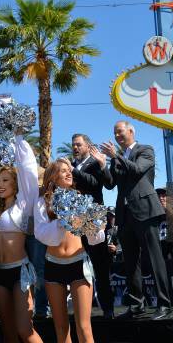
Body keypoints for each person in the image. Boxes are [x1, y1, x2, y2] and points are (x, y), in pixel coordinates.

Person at [100, 120, 172, 320]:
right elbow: (110, 184)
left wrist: (115, 156)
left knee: (154, 257)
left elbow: (138, 170)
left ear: (131, 131)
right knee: (130, 261)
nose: (117, 136)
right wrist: (102, 164)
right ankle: (136, 304)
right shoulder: (117, 157)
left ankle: (164, 303)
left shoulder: (145, 149)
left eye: (120, 132)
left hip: (145, 210)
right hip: (124, 214)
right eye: (114, 133)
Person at [0, 134, 43, 343]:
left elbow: (28, 170)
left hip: (20, 272)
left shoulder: (24, 204)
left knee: (25, 329)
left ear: (16, 184)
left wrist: (18, 138)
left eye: (5, 180)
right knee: (8, 331)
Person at [34, 159, 105, 343]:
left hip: (79, 263)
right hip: (53, 265)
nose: (69, 173)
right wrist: (62, 219)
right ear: (52, 176)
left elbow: (95, 238)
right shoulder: (43, 202)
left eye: (69, 170)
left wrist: (97, 227)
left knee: (83, 326)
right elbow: (41, 234)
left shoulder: (80, 198)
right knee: (61, 327)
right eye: (63, 170)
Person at [70, 133, 114, 319]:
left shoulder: (95, 163)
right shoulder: (71, 166)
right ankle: (83, 309)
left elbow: (95, 184)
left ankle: (108, 308)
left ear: (88, 146)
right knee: (77, 265)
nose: (75, 148)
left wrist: (73, 172)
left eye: (79, 144)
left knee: (99, 265)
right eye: (73, 145)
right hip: (74, 219)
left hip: (92, 218)